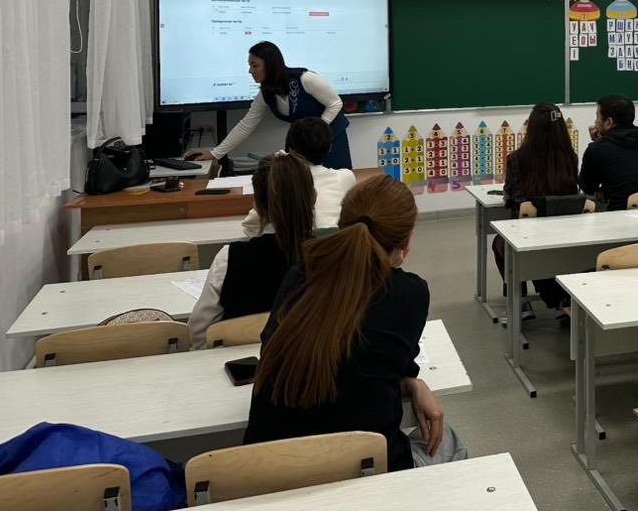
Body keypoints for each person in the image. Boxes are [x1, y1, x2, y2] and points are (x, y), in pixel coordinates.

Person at [245, 174, 461, 472]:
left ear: (341, 224)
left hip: (269, 472)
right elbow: (383, 364)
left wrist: (410, 381)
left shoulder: (301, 272)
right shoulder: (409, 294)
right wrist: (412, 381)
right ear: (406, 243)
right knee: (448, 440)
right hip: (364, 471)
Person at [189, 152, 314, 348]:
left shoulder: (229, 258)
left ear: (256, 205)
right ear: (314, 198)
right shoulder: (333, 254)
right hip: (313, 361)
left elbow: (198, 335)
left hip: (242, 362)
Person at [187, 41, 352, 169]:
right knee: (300, 189)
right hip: (302, 143)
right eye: (250, 65)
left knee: (337, 183)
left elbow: (335, 103)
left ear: (270, 65)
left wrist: (317, 130)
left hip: (331, 138)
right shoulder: (265, 94)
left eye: (255, 65)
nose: (250, 71)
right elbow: (245, 126)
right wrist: (215, 153)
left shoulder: (305, 78)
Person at [493, 102, 581, 312]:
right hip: (567, 231)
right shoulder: (570, 157)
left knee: (499, 243)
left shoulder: (516, 159)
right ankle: (561, 298)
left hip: (528, 235)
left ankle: (520, 302)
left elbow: (516, 199)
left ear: (531, 129)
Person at [241, 118, 357, 237]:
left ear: (290, 148)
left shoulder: (279, 180)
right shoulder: (345, 176)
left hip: (287, 244)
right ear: (330, 147)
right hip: (334, 243)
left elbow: (250, 227)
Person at [578, 94, 638, 210]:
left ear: (609, 122)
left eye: (597, 117)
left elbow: (587, 187)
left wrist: (598, 143)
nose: (595, 122)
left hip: (620, 215)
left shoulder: (597, 149)